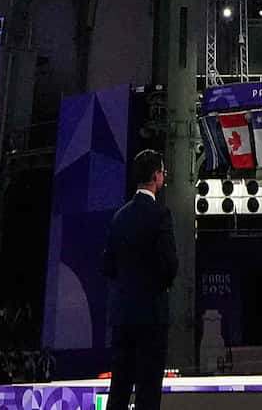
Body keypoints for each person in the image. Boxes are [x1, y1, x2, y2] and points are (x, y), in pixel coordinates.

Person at [103, 148, 179, 410]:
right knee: (148, 392)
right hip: (151, 318)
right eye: (162, 172)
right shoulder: (160, 215)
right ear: (156, 176)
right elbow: (171, 266)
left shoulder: (119, 217)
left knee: (119, 391)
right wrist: (156, 285)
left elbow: (107, 265)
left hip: (123, 317)